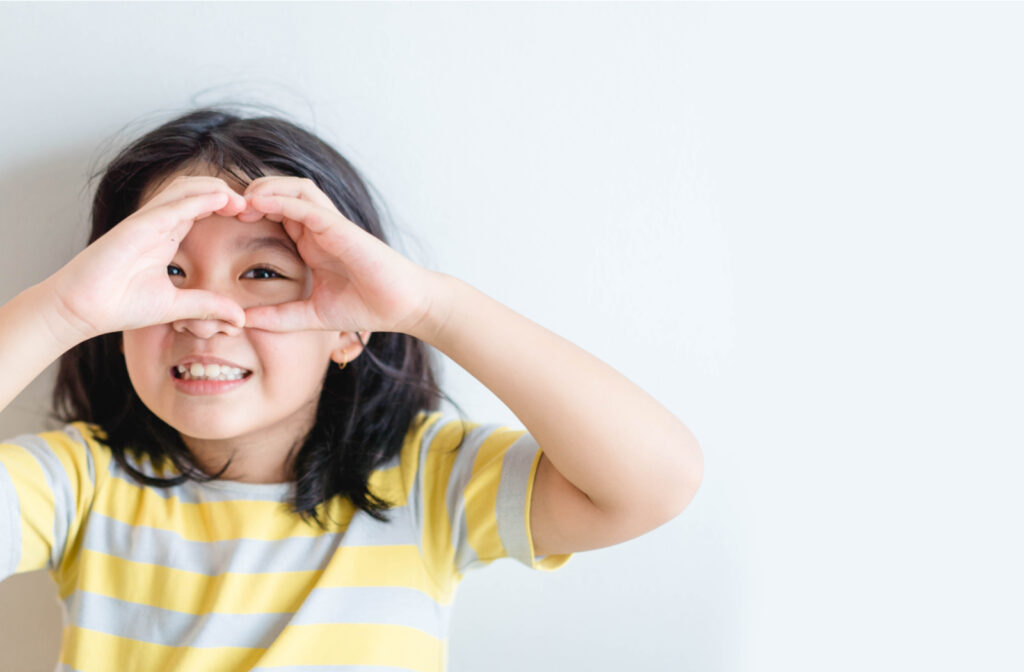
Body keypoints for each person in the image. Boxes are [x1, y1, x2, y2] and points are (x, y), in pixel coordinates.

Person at [0, 105, 704, 671]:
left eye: (263, 273)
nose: (206, 319)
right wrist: (62, 310)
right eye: (171, 274)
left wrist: (434, 309)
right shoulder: (78, 481)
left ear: (349, 325)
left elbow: (656, 482)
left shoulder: (430, 480)